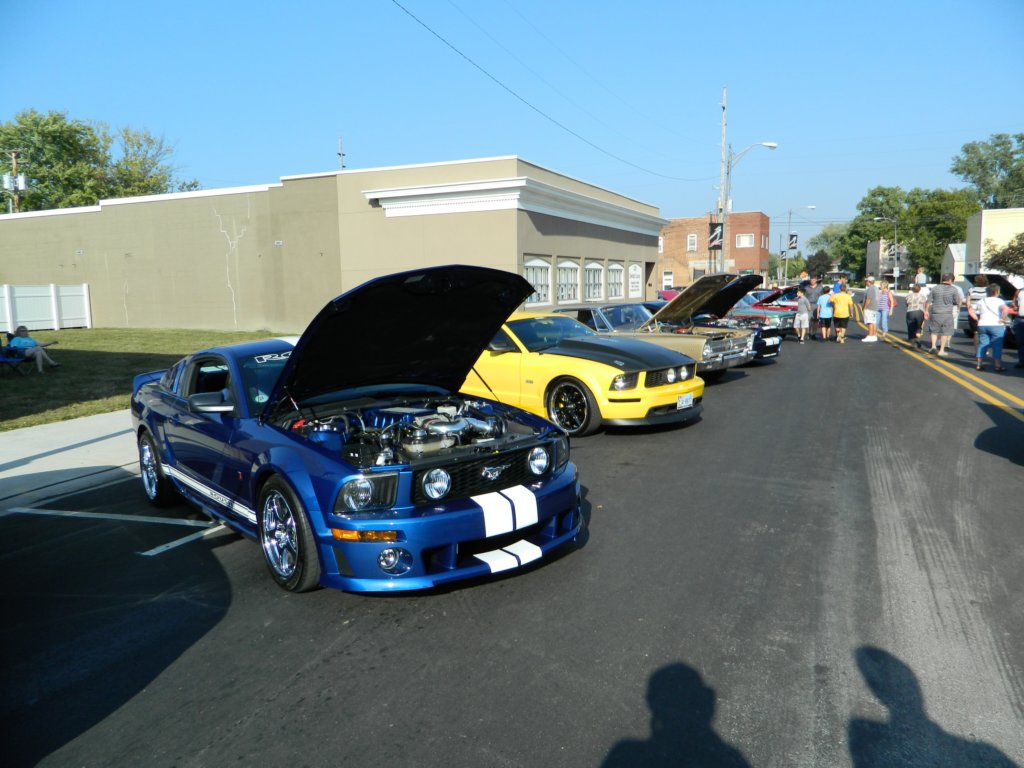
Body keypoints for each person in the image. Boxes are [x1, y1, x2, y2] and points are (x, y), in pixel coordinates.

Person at [969, 283, 1010, 371]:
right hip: (996, 325)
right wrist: (1002, 318)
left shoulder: (981, 301)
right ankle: (997, 365)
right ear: (997, 291)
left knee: (982, 344)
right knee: (997, 345)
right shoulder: (999, 301)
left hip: (982, 324)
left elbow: (970, 309)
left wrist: (976, 318)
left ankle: (979, 365)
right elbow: (1006, 309)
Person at [924, 273, 961, 357]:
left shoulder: (935, 288)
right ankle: (941, 350)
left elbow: (929, 300)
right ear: (950, 280)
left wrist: (926, 311)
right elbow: (956, 301)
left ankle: (933, 346)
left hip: (935, 312)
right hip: (947, 314)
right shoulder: (953, 289)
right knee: (945, 332)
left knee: (934, 331)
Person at [967, 274, 989, 349]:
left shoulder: (971, 290)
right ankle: (985, 349)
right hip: (985, 313)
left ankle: (977, 349)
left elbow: (968, 303)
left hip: (973, 313)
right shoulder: (988, 290)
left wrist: (969, 310)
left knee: (976, 332)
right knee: (985, 332)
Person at [904, 283, 927, 348]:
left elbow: (906, 304)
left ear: (912, 289)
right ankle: (918, 340)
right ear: (919, 289)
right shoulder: (922, 296)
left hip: (910, 312)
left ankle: (912, 343)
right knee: (918, 327)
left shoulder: (908, 296)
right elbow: (924, 304)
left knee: (911, 327)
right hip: (920, 312)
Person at [861, 275, 879, 342]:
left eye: (866, 281)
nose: (865, 282)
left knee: (869, 322)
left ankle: (870, 335)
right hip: (874, 307)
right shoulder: (876, 288)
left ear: (869, 281)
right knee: (873, 322)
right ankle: (874, 335)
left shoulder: (870, 288)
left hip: (870, 307)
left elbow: (868, 299)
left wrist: (864, 307)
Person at [1013, 287, 1024, 369]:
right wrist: (1015, 306)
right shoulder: (1019, 291)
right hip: (1019, 318)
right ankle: (1022, 361)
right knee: (1020, 341)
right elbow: (1014, 302)